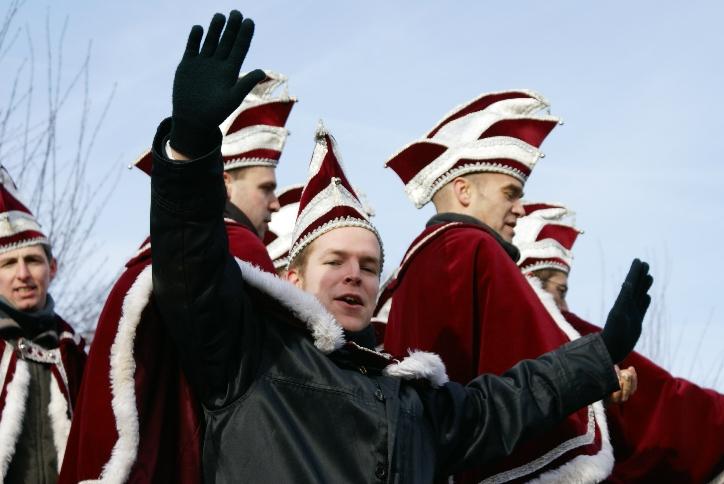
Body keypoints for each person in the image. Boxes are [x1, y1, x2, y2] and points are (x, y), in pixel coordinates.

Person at [149, 11, 652, 482]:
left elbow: (507, 403)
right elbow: (191, 262)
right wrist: (190, 149)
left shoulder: (414, 399)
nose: (355, 274)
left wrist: (600, 351)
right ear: (292, 278)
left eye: (369, 266)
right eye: (335, 261)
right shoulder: (247, 353)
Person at [382, 91, 642, 482]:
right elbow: (516, 374)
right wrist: (598, 362)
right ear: (464, 191)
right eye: (510, 193)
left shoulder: (419, 258)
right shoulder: (469, 247)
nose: (520, 208)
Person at [58, 70, 296, 483]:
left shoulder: (156, 251)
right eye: (265, 188)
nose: (275, 203)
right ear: (224, 183)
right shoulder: (239, 247)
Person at [515, 203, 724, 484]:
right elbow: (664, 399)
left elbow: (663, 396)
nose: (565, 307)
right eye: (560, 291)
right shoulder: (557, 330)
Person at [0, 167, 86, 483]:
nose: (23, 274)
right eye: (9, 263)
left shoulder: (77, 355)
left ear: (53, 268)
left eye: (33, 261)